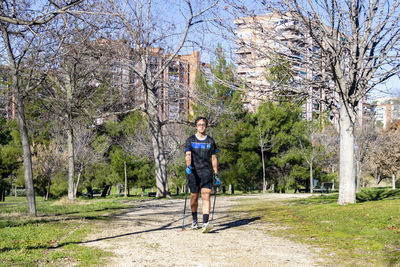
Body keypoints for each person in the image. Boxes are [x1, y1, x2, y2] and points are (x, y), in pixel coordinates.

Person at [185, 116, 220, 233]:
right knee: (194, 197)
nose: (201, 126)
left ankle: (205, 223)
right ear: (196, 126)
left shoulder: (210, 141)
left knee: (206, 195)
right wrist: (188, 165)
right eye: (199, 124)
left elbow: (214, 158)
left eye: (203, 125)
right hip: (194, 172)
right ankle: (194, 221)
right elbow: (188, 155)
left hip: (206, 172)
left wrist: (216, 173)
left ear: (206, 126)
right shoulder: (190, 140)